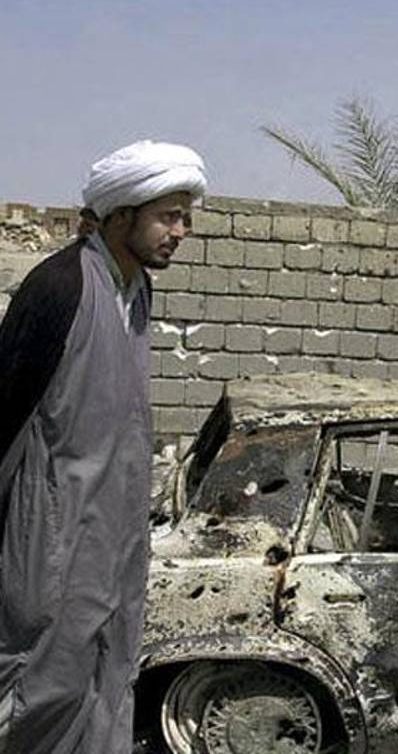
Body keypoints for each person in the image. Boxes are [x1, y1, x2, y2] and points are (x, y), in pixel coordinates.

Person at [0, 140, 206, 754]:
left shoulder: (136, 289)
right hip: (53, 539)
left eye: (185, 218)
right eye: (168, 217)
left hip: (114, 535)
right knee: (41, 688)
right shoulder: (59, 287)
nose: (181, 232)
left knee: (109, 678)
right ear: (120, 215)